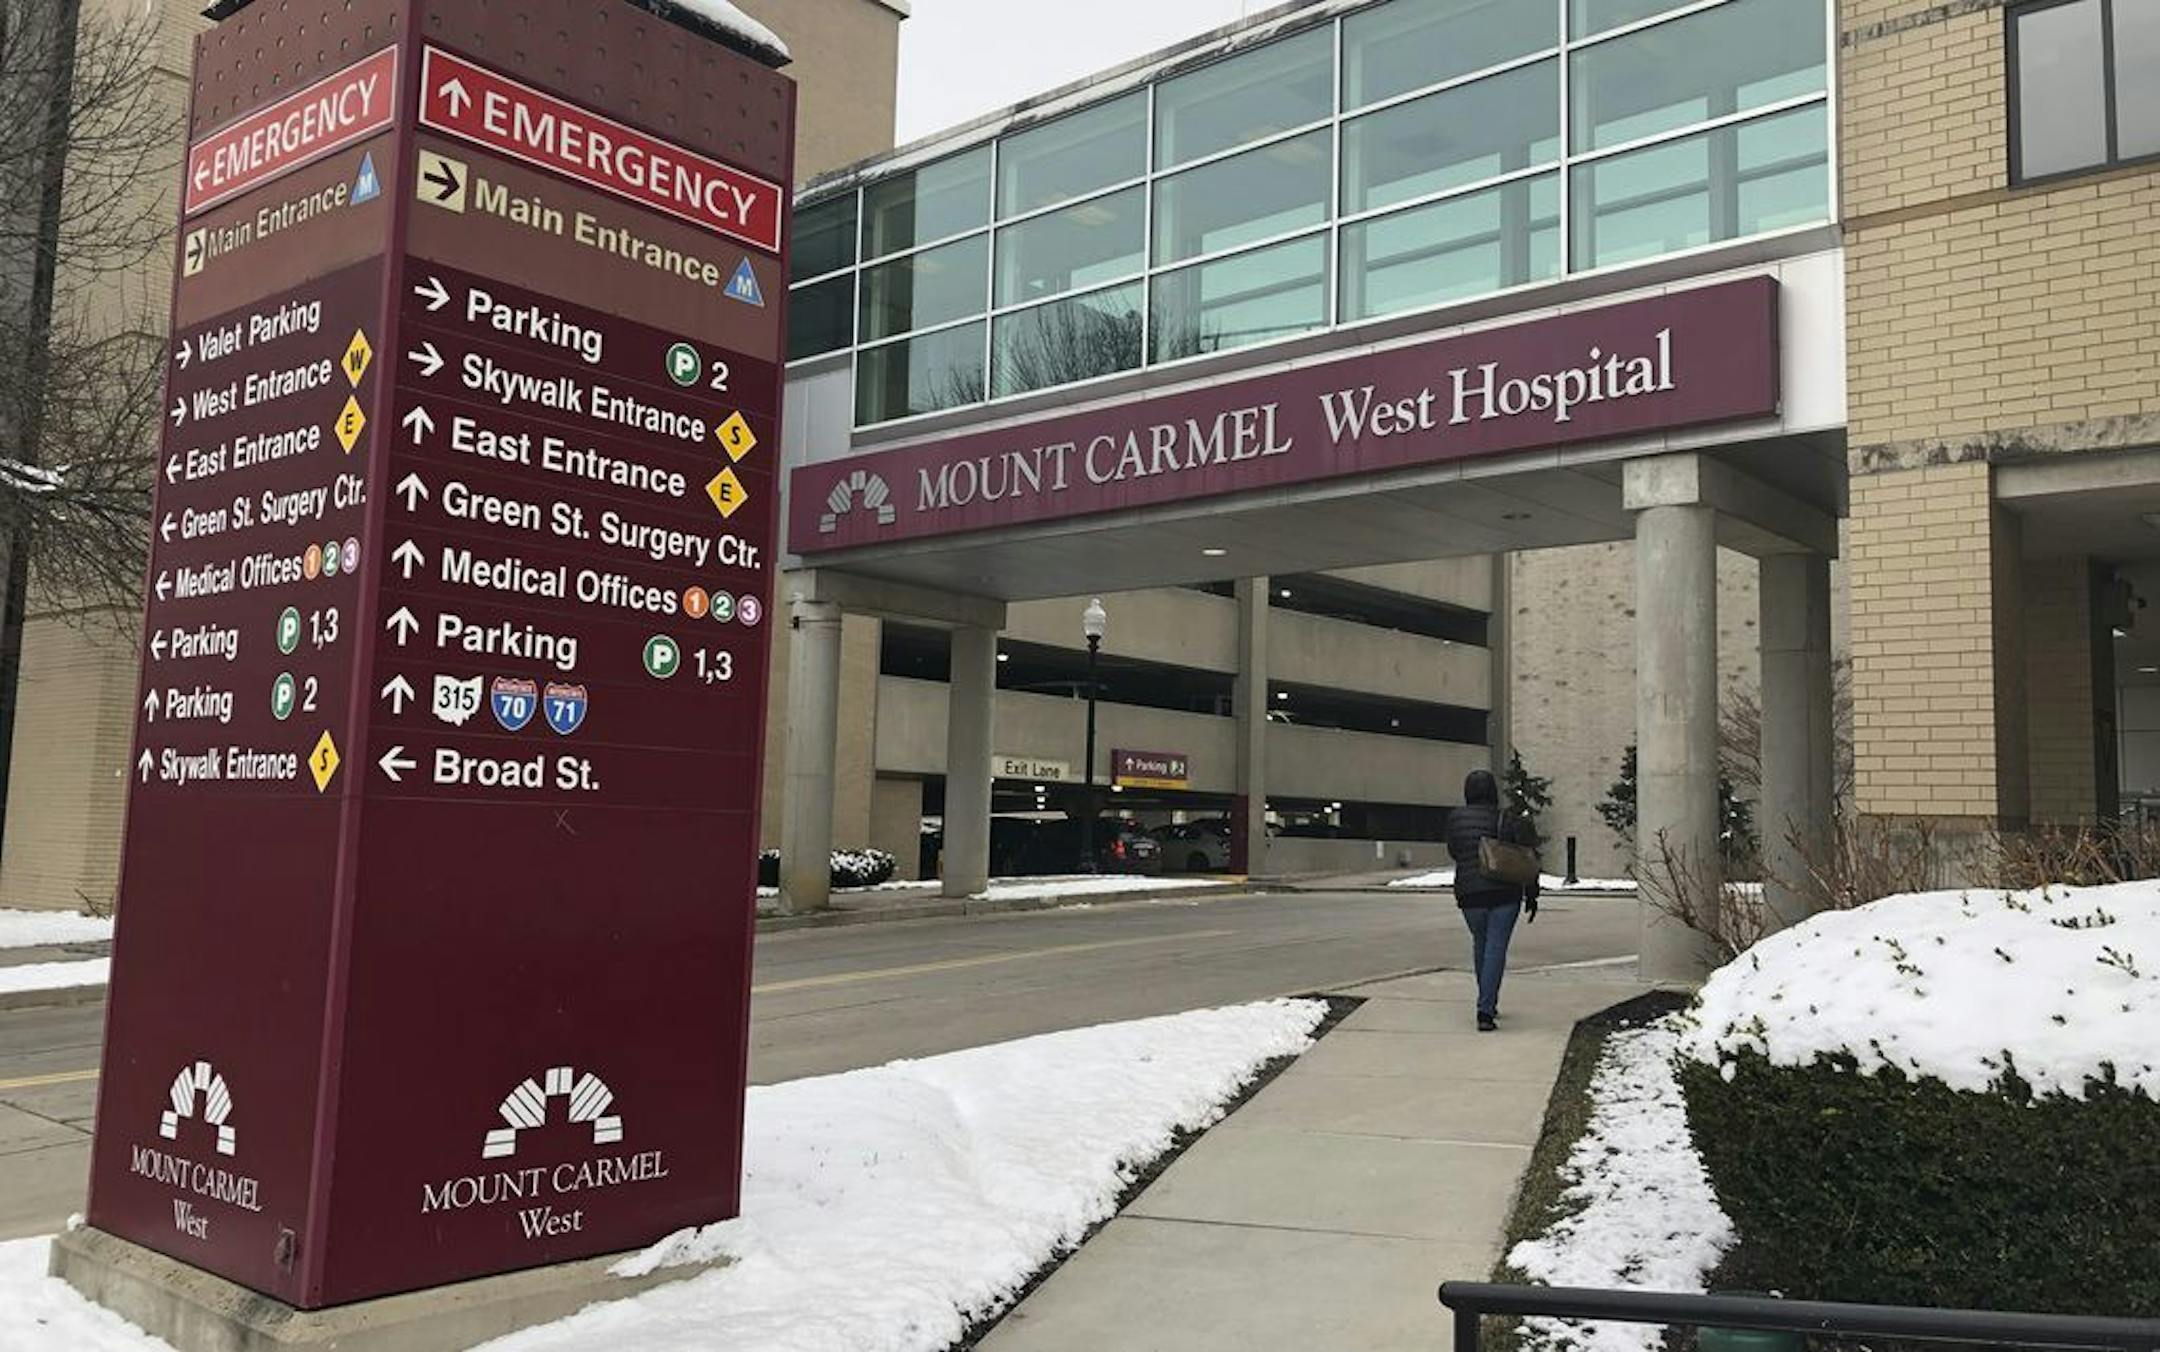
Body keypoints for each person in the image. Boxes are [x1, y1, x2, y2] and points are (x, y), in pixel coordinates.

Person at [1445, 768, 1540, 1032]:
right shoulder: (1505, 817)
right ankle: (1485, 1010)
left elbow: (1454, 850)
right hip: (1504, 892)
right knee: (1496, 948)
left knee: (1481, 944)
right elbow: (1524, 857)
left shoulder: (1456, 818)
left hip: (1469, 893)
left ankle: (1486, 1001)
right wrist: (1532, 894)